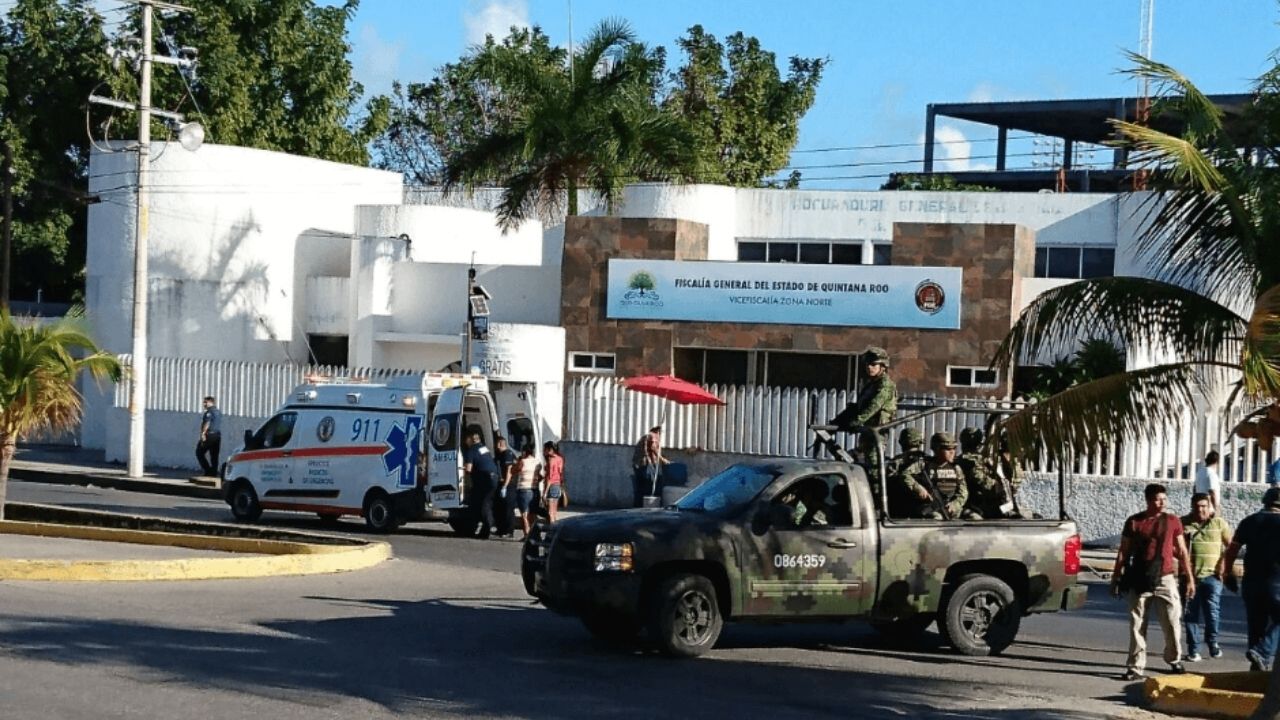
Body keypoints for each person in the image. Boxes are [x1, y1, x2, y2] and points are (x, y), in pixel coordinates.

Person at [1111, 483, 1195, 680]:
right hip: (1139, 578)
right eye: (1158, 499)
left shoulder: (1172, 521)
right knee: (1137, 623)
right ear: (1148, 500)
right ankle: (1135, 667)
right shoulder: (1134, 522)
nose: (1162, 503)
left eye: (1164, 499)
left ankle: (1174, 659)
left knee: (1172, 621)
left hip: (1165, 577)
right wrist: (1116, 577)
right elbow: (1124, 551)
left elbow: (1182, 550)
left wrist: (1189, 578)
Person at [1222, 486, 1280, 672]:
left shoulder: (1249, 521)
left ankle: (1256, 668)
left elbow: (1232, 551)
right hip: (1276, 582)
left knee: (1256, 625)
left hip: (1251, 582)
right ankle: (1262, 652)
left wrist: (1227, 573)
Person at [829, 347, 897, 489]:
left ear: (883, 366)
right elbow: (858, 407)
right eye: (867, 364)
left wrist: (856, 421)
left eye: (873, 364)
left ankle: (877, 495)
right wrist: (838, 421)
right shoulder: (870, 385)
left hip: (877, 432)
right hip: (867, 431)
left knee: (874, 468)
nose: (869, 367)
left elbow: (874, 406)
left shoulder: (885, 385)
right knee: (861, 463)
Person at [1181, 492, 1232, 662]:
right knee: (1190, 614)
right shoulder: (1184, 523)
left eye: (1204, 506)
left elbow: (1231, 545)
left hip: (1212, 577)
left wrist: (1223, 564)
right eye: (1197, 506)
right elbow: (1176, 547)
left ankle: (1212, 642)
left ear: (1209, 507)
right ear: (1192, 507)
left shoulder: (1219, 523)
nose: (1200, 510)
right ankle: (1193, 649)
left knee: (1212, 612)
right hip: (1190, 577)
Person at [910, 432, 968, 519]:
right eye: (948, 449)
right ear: (937, 449)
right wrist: (918, 488)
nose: (952, 452)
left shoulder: (956, 468)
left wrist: (955, 504)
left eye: (954, 448)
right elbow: (905, 474)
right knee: (936, 518)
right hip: (930, 507)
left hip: (950, 507)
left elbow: (963, 492)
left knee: (974, 517)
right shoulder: (924, 464)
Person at [958, 427, 1007, 520]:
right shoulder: (969, 460)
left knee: (1011, 513)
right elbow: (980, 479)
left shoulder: (983, 458)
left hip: (988, 502)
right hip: (976, 504)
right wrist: (997, 485)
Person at [462, 427, 499, 540]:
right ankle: (484, 529)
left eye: (466, 439)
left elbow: (469, 469)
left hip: (484, 480)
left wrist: (460, 468)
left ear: (471, 439)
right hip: (493, 478)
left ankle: (487, 527)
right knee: (485, 503)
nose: (465, 441)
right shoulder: (484, 448)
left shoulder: (471, 450)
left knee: (483, 505)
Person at [885, 427, 927, 517]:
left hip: (899, 510)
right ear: (920, 442)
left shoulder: (895, 462)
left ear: (901, 442)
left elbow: (889, 485)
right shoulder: (927, 460)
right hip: (923, 509)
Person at [631, 426, 668, 507]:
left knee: (639, 486)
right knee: (644, 486)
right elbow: (653, 449)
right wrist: (663, 460)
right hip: (642, 464)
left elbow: (650, 450)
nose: (660, 435)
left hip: (638, 464)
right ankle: (642, 505)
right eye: (660, 433)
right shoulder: (653, 436)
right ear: (657, 432)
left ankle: (638, 505)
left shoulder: (646, 436)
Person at [512, 445, 541, 538]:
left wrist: (517, 462)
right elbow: (539, 476)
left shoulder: (523, 462)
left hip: (523, 489)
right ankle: (535, 534)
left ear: (524, 452)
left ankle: (527, 535)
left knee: (524, 515)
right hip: (535, 489)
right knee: (533, 514)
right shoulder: (537, 462)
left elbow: (513, 471)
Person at [493, 435, 517, 538]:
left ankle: (509, 531)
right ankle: (501, 529)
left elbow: (509, 471)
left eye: (496, 444)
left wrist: (505, 486)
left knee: (508, 509)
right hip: (500, 483)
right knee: (499, 508)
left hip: (508, 484)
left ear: (500, 444)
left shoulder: (507, 454)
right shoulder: (499, 455)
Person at [195, 395, 222, 477]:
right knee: (214, 456)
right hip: (217, 435)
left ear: (211, 402)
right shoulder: (218, 412)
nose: (204, 404)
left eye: (205, 402)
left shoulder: (209, 412)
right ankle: (214, 473)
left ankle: (208, 471)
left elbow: (207, 423)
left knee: (199, 452)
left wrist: (203, 434)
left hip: (209, 436)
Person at [542, 441, 565, 524]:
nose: (543, 451)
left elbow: (550, 477)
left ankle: (552, 528)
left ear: (550, 449)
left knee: (550, 512)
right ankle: (555, 526)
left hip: (551, 486)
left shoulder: (551, 460)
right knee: (554, 511)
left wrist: (545, 492)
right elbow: (560, 473)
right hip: (557, 485)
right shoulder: (560, 458)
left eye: (545, 449)